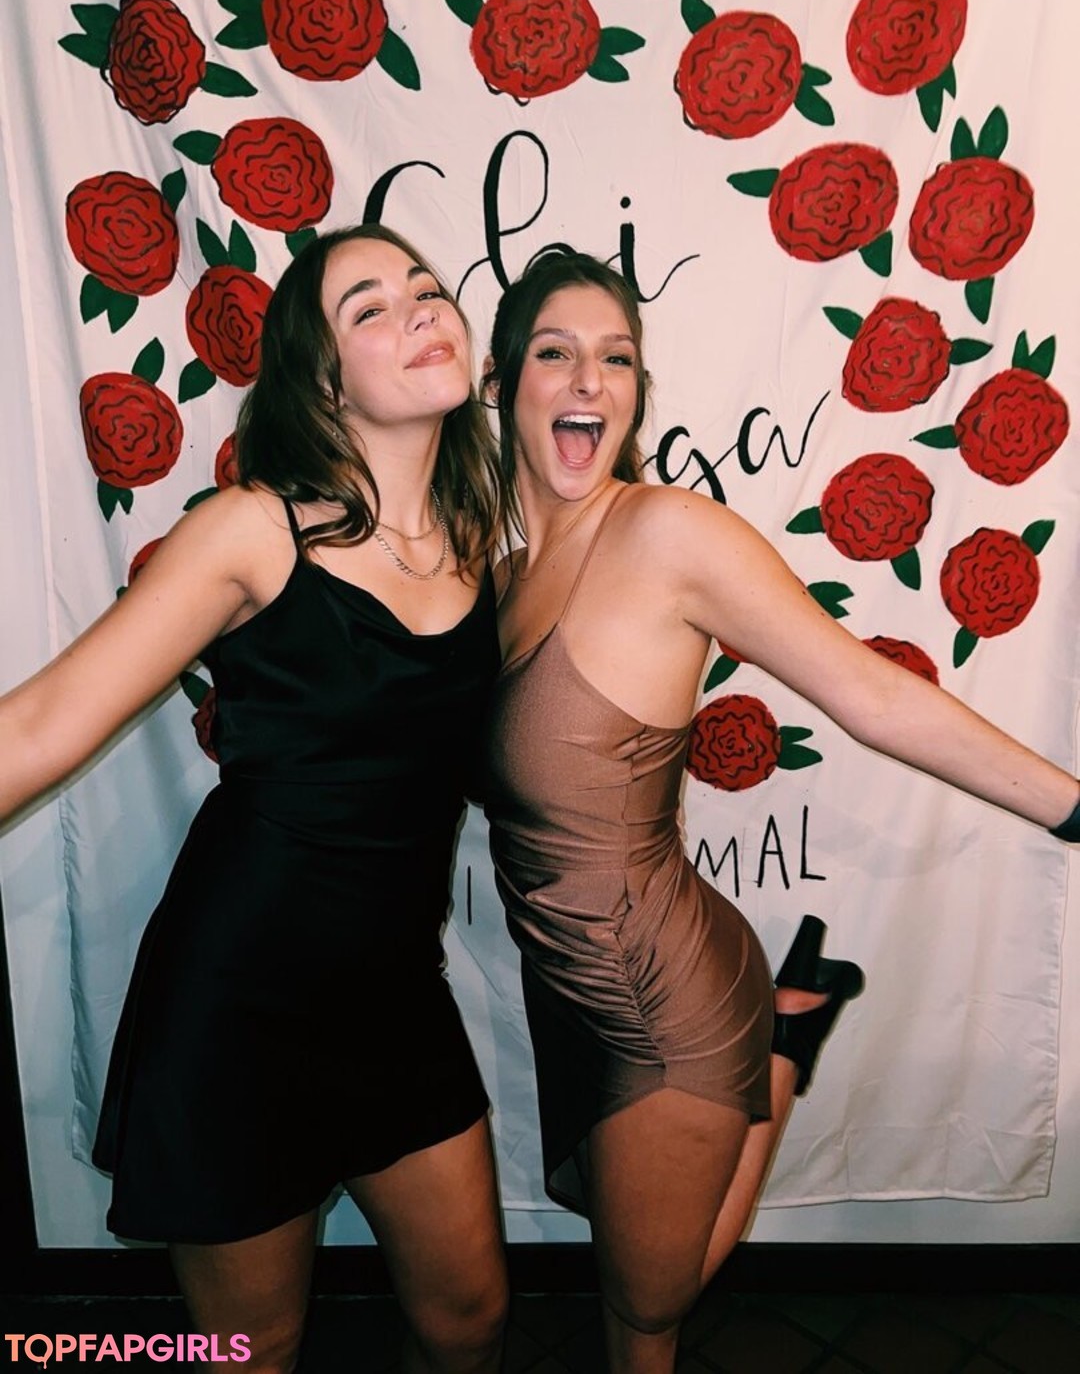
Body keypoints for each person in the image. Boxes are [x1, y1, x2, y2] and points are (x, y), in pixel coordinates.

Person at [479, 249, 1079, 1374]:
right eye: (556, 353)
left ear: (637, 390)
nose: (590, 380)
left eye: (618, 358)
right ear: (503, 384)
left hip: (664, 1000)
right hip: (563, 986)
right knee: (625, 1249)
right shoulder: (502, 577)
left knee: (646, 1308)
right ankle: (792, 1022)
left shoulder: (666, 534)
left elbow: (871, 695)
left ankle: (782, 1041)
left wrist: (1075, 809)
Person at [0, 223, 509, 1374]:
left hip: (395, 997)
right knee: (253, 1351)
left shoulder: (481, 540)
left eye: (425, 288)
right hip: (239, 1008)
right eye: (370, 308)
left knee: (471, 1316)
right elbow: (38, 725)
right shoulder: (252, 531)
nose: (419, 309)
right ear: (322, 382)